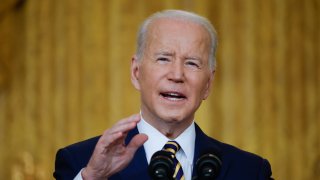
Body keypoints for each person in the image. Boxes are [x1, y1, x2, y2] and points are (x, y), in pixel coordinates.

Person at [53, 10, 273, 180]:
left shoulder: (250, 170)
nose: (177, 75)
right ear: (136, 72)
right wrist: (93, 177)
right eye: (163, 59)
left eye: (192, 63)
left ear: (208, 84)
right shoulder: (81, 162)